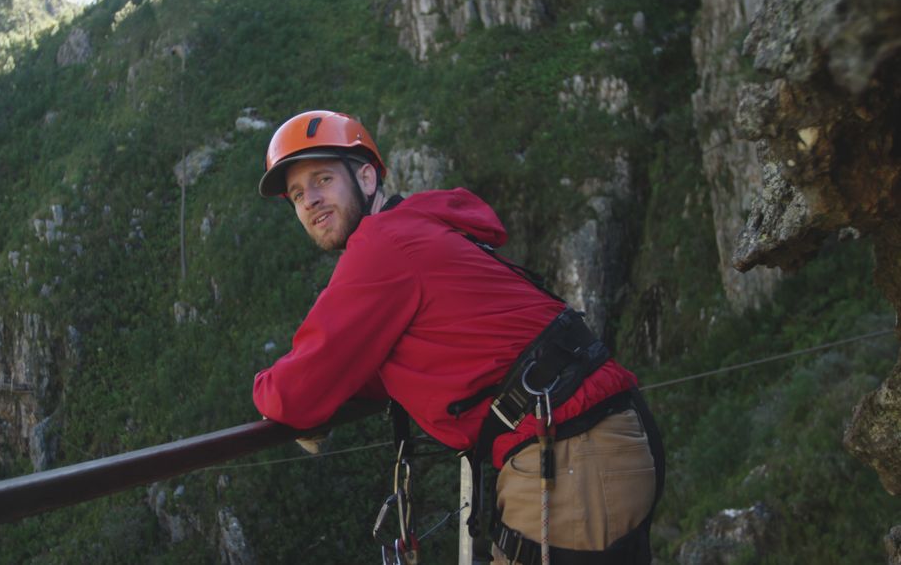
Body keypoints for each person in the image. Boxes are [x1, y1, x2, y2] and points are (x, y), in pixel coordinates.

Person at [252, 110, 663, 564]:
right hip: (601, 437)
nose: (309, 200)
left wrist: (288, 394)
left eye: (322, 179)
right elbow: (409, 350)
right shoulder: (420, 228)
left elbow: (291, 393)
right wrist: (337, 388)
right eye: (296, 194)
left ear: (366, 178)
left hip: (570, 457)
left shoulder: (383, 246)